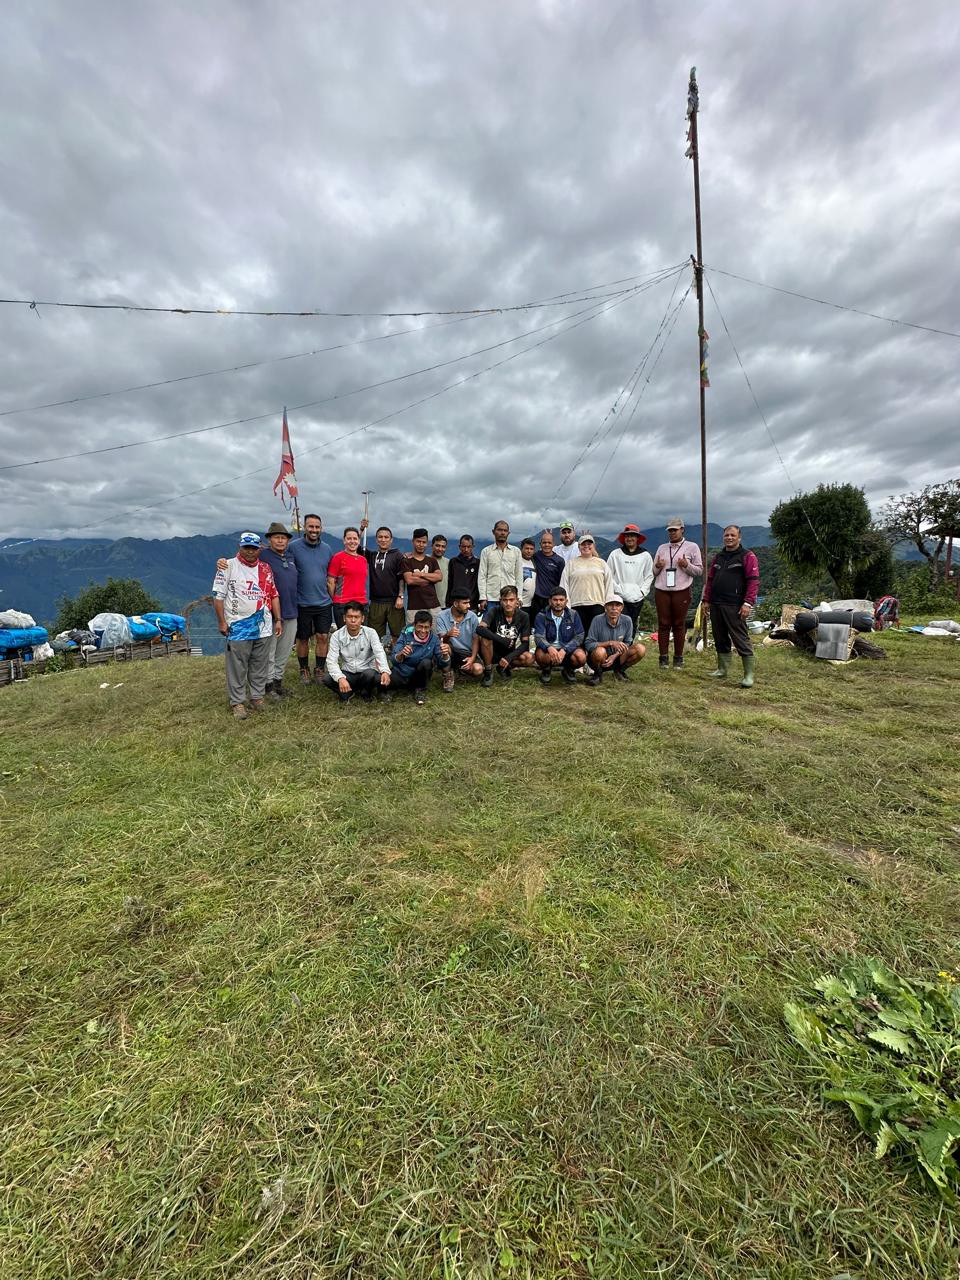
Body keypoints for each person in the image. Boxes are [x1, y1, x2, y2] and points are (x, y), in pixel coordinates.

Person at [211, 532, 281, 719]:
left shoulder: (266, 569)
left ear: (260, 549)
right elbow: (218, 597)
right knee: (237, 666)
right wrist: (221, 622)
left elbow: (273, 594)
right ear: (240, 547)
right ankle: (237, 702)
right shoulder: (227, 566)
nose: (250, 551)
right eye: (246, 547)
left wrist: (278, 619)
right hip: (237, 625)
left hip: (263, 625)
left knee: (259, 663)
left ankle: (257, 697)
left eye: (254, 548)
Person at [702, 524, 760, 688]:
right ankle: (722, 669)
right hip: (716, 603)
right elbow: (710, 580)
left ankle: (748, 675)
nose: (729, 538)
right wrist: (706, 601)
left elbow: (753, 581)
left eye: (733, 535)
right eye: (726, 535)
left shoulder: (747, 556)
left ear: (739, 537)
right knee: (720, 637)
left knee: (740, 638)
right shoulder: (718, 557)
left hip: (735, 605)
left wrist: (748, 603)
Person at [651, 517, 703, 670]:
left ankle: (678, 658)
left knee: (679, 625)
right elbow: (654, 571)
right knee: (663, 624)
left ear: (682, 529)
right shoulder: (662, 548)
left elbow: (699, 571)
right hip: (662, 590)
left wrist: (686, 566)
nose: (672, 533)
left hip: (682, 590)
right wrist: (659, 566)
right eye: (670, 530)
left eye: (675, 530)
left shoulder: (692, 547)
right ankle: (663, 658)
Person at [289, 512, 334, 684]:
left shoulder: (327, 549)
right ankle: (303, 669)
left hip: (323, 602)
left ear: (321, 528)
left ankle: (320, 669)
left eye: (317, 527)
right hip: (302, 602)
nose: (314, 530)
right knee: (303, 638)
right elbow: (278, 558)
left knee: (323, 637)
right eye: (311, 526)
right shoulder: (293, 547)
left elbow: (332, 575)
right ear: (305, 528)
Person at [323, 600, 392, 703]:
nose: (353, 620)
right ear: (344, 618)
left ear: (362, 619)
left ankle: (366, 692)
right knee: (327, 679)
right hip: (348, 673)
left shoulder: (371, 633)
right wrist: (340, 678)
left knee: (372, 675)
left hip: (366, 672)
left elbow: (380, 653)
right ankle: (348, 692)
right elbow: (331, 660)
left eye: (357, 617)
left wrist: (385, 671)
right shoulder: (336, 636)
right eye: (350, 617)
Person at [261, 522, 298, 699]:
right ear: (269, 539)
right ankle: (267, 686)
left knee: (284, 650)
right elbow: (241, 559)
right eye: (277, 537)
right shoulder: (262, 555)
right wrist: (222, 562)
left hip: (291, 611)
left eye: (283, 538)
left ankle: (278, 682)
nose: (280, 541)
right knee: (270, 651)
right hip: (270, 613)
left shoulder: (290, 556)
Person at [476, 585, 535, 687]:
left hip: (509, 652)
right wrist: (502, 640)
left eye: (511, 600)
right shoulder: (494, 611)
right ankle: (488, 672)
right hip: (491, 651)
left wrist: (509, 658)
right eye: (505, 600)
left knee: (529, 658)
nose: (508, 603)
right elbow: (480, 629)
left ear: (517, 600)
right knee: (486, 638)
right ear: (500, 600)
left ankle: (504, 666)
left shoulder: (524, 616)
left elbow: (525, 643)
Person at [559, 534, 615, 636]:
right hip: (577, 605)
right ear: (578, 546)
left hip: (598, 605)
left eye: (589, 544)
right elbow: (564, 586)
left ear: (593, 546)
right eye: (583, 544)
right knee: (579, 636)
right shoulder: (571, 564)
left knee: (596, 635)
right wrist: (567, 606)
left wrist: (608, 605)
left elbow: (609, 585)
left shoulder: (602, 563)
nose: (586, 546)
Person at [584, 594, 647, 685]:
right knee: (599, 651)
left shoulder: (627, 620)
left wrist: (615, 656)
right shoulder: (597, 620)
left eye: (617, 605)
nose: (614, 608)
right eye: (610, 605)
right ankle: (598, 674)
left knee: (640, 649)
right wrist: (610, 643)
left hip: (618, 657)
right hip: (600, 658)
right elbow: (588, 644)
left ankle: (620, 671)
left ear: (622, 607)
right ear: (605, 607)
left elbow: (628, 642)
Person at [391, 610, 449, 705]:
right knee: (385, 679)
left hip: (419, 674)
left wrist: (445, 655)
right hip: (403, 672)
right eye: (420, 626)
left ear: (430, 627)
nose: (423, 631)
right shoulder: (405, 634)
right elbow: (393, 659)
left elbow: (442, 663)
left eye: (426, 627)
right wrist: (401, 654)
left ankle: (420, 690)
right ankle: (390, 690)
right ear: (414, 625)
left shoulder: (434, 639)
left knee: (427, 663)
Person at [606, 523, 654, 640]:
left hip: (637, 597)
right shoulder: (615, 554)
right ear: (624, 538)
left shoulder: (645, 555)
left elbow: (649, 576)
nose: (630, 538)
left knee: (632, 624)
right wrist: (616, 589)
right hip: (619, 597)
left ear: (637, 538)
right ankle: (615, 650)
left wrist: (642, 592)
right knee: (616, 623)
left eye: (633, 536)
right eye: (627, 536)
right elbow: (608, 575)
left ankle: (627, 650)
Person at [533, 588, 586, 684]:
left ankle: (568, 670)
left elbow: (580, 636)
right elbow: (538, 636)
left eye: (561, 600)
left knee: (581, 657)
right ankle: (546, 670)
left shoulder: (573, 615)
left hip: (567, 650)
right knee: (540, 655)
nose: (558, 603)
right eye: (555, 600)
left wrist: (565, 649)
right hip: (549, 650)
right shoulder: (541, 615)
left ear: (566, 601)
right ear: (550, 601)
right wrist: (549, 647)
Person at [434, 592, 484, 690]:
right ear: (456, 604)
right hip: (451, 650)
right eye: (465, 603)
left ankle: (459, 670)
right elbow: (441, 640)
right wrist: (448, 634)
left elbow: (475, 639)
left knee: (478, 670)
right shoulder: (441, 616)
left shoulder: (472, 616)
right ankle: (447, 676)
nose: (468, 606)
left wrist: (472, 658)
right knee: (444, 647)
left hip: (466, 653)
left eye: (469, 603)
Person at [365, 525, 406, 642]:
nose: (383, 539)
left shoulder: (398, 555)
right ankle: (376, 660)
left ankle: (396, 659)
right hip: (376, 602)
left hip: (394, 601)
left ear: (391, 539)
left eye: (386, 537)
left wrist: (401, 596)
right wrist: (362, 529)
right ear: (376, 539)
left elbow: (401, 577)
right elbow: (357, 546)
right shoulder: (372, 555)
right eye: (380, 537)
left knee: (397, 634)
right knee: (374, 636)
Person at [327, 527, 369, 627]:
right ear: (344, 540)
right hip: (343, 604)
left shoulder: (363, 560)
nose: (352, 541)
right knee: (344, 638)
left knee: (362, 638)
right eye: (349, 538)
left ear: (359, 541)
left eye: (355, 539)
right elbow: (330, 582)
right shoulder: (338, 557)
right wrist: (336, 600)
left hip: (362, 603)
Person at [477, 520, 523, 610]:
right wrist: (482, 597)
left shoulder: (516, 551)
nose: (502, 533)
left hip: (510, 598)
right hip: (491, 598)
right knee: (491, 623)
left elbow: (519, 576)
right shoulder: (486, 551)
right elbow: (482, 576)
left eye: (505, 531)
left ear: (508, 533)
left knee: (510, 623)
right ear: (493, 532)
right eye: (499, 530)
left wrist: (519, 597)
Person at [402, 528, 443, 624]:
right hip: (414, 607)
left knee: (436, 635)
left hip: (433, 605)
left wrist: (421, 574)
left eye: (424, 542)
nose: (421, 545)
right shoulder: (406, 561)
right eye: (418, 541)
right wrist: (431, 579)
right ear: (413, 541)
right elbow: (410, 580)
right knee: (412, 635)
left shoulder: (432, 560)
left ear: (427, 543)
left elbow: (439, 577)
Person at [531, 529, 566, 621]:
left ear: (553, 544)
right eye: (544, 542)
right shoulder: (535, 556)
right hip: (536, 597)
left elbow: (562, 581)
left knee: (550, 622)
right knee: (536, 621)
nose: (547, 545)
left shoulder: (559, 561)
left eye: (549, 542)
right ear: (540, 544)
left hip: (552, 598)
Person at [446, 534, 480, 609]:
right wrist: (448, 602)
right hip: (455, 602)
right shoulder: (453, 562)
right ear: (459, 547)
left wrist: (479, 601)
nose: (466, 549)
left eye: (469, 547)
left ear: (473, 547)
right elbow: (450, 582)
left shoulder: (477, 563)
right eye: (463, 547)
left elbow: (480, 583)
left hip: (471, 603)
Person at [519, 538, 538, 617]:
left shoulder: (534, 562)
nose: (529, 551)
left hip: (530, 604)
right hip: (518, 604)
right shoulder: (517, 561)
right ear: (521, 549)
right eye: (527, 548)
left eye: (531, 549)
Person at [431, 534, 450, 606]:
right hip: (426, 604)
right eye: (437, 545)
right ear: (432, 546)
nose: (440, 549)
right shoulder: (425, 559)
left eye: (443, 547)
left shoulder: (448, 562)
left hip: (444, 604)